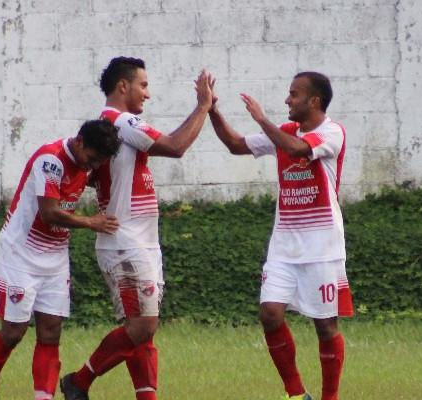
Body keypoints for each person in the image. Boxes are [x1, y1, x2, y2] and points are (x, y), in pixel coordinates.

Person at [60, 57, 213, 400]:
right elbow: (175, 147)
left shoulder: (107, 126)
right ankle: (79, 382)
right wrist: (203, 106)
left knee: (142, 329)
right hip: (124, 240)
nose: (148, 93)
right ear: (123, 86)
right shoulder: (121, 121)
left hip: (140, 240)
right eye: (143, 85)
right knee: (143, 326)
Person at [208, 71, 354, 400]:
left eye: (294, 94)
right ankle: (295, 394)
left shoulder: (332, 132)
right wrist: (212, 110)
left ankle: (330, 397)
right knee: (270, 313)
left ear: (314, 101)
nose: (287, 100)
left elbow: (299, 150)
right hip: (284, 247)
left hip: (322, 248)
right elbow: (235, 145)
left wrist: (261, 119)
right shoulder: (284, 131)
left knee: (325, 326)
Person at [0, 119, 122, 400]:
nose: (92, 167)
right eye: (91, 159)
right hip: (20, 255)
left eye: (98, 163)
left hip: (55, 258)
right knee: (13, 333)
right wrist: (92, 222)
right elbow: (49, 213)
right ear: (80, 142)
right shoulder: (50, 160)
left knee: (51, 332)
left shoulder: (86, 163)